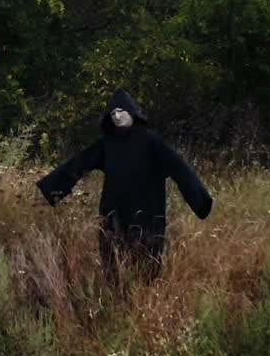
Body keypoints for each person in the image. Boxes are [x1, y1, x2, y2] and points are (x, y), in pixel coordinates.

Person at [37, 87, 213, 279]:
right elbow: (79, 163)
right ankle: (117, 299)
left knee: (147, 265)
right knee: (113, 264)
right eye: (113, 113)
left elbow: (180, 169)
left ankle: (145, 302)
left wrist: (200, 200)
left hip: (147, 212)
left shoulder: (151, 141)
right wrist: (51, 188)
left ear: (132, 112)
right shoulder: (107, 143)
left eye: (121, 111)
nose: (117, 116)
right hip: (114, 212)